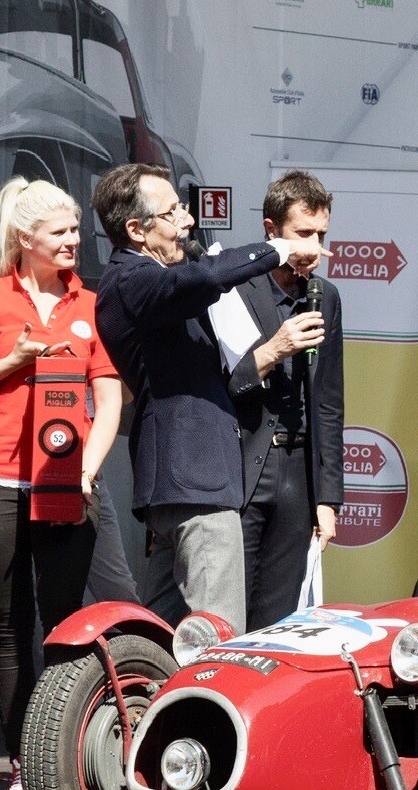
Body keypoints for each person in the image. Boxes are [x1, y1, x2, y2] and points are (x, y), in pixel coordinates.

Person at [0, 178, 123, 790]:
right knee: (10, 629)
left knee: (64, 626)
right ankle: (23, 766)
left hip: (66, 485)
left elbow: (109, 399)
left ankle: (61, 760)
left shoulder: (90, 303)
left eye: (76, 230)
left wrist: (87, 469)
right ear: (26, 238)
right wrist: (13, 360)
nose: (73, 241)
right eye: (60, 232)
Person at [93, 164, 312, 634]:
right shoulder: (131, 279)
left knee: (163, 633)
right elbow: (205, 278)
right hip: (192, 479)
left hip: (188, 479)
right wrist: (280, 248)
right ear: (136, 230)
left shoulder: (156, 277)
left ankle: (145, 682)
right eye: (172, 213)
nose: (188, 220)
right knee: (217, 634)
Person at [225, 171, 345, 631]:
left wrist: (328, 497)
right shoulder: (234, 289)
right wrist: (274, 350)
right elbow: (221, 384)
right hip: (242, 467)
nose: (314, 248)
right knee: (227, 611)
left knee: (277, 619)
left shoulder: (324, 297)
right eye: (303, 233)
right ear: (271, 230)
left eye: (322, 235)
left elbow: (329, 402)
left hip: (298, 475)